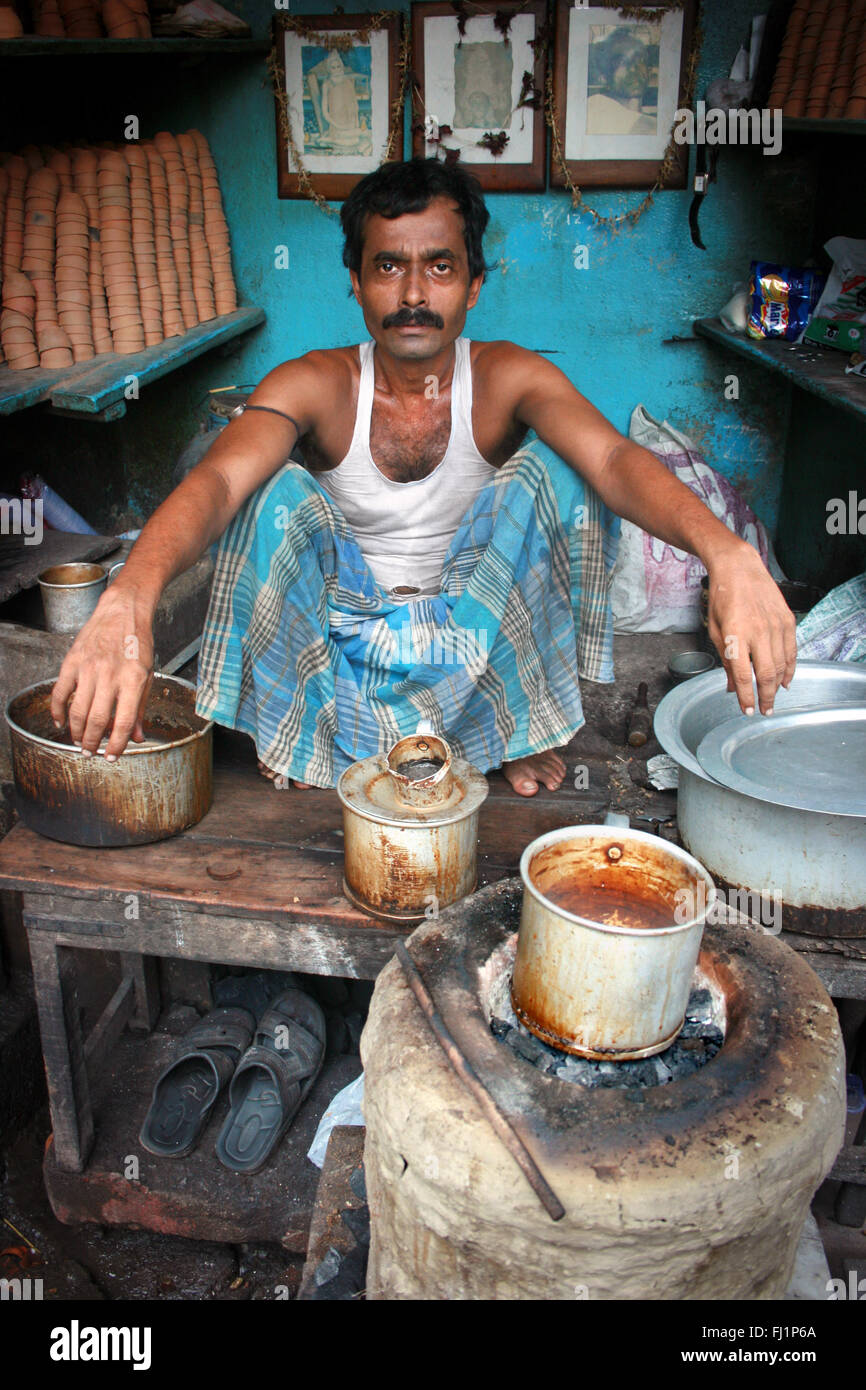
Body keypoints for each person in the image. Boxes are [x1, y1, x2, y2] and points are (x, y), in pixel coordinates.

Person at [50, 158, 796, 797]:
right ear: (357, 282)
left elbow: (614, 459)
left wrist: (727, 552)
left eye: (439, 266)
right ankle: (311, 733)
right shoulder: (318, 382)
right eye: (389, 267)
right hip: (347, 645)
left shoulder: (506, 376)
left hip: (473, 642)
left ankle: (515, 724)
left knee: (566, 473)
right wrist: (128, 599)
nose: (413, 294)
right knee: (262, 490)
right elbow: (213, 483)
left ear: (473, 284)